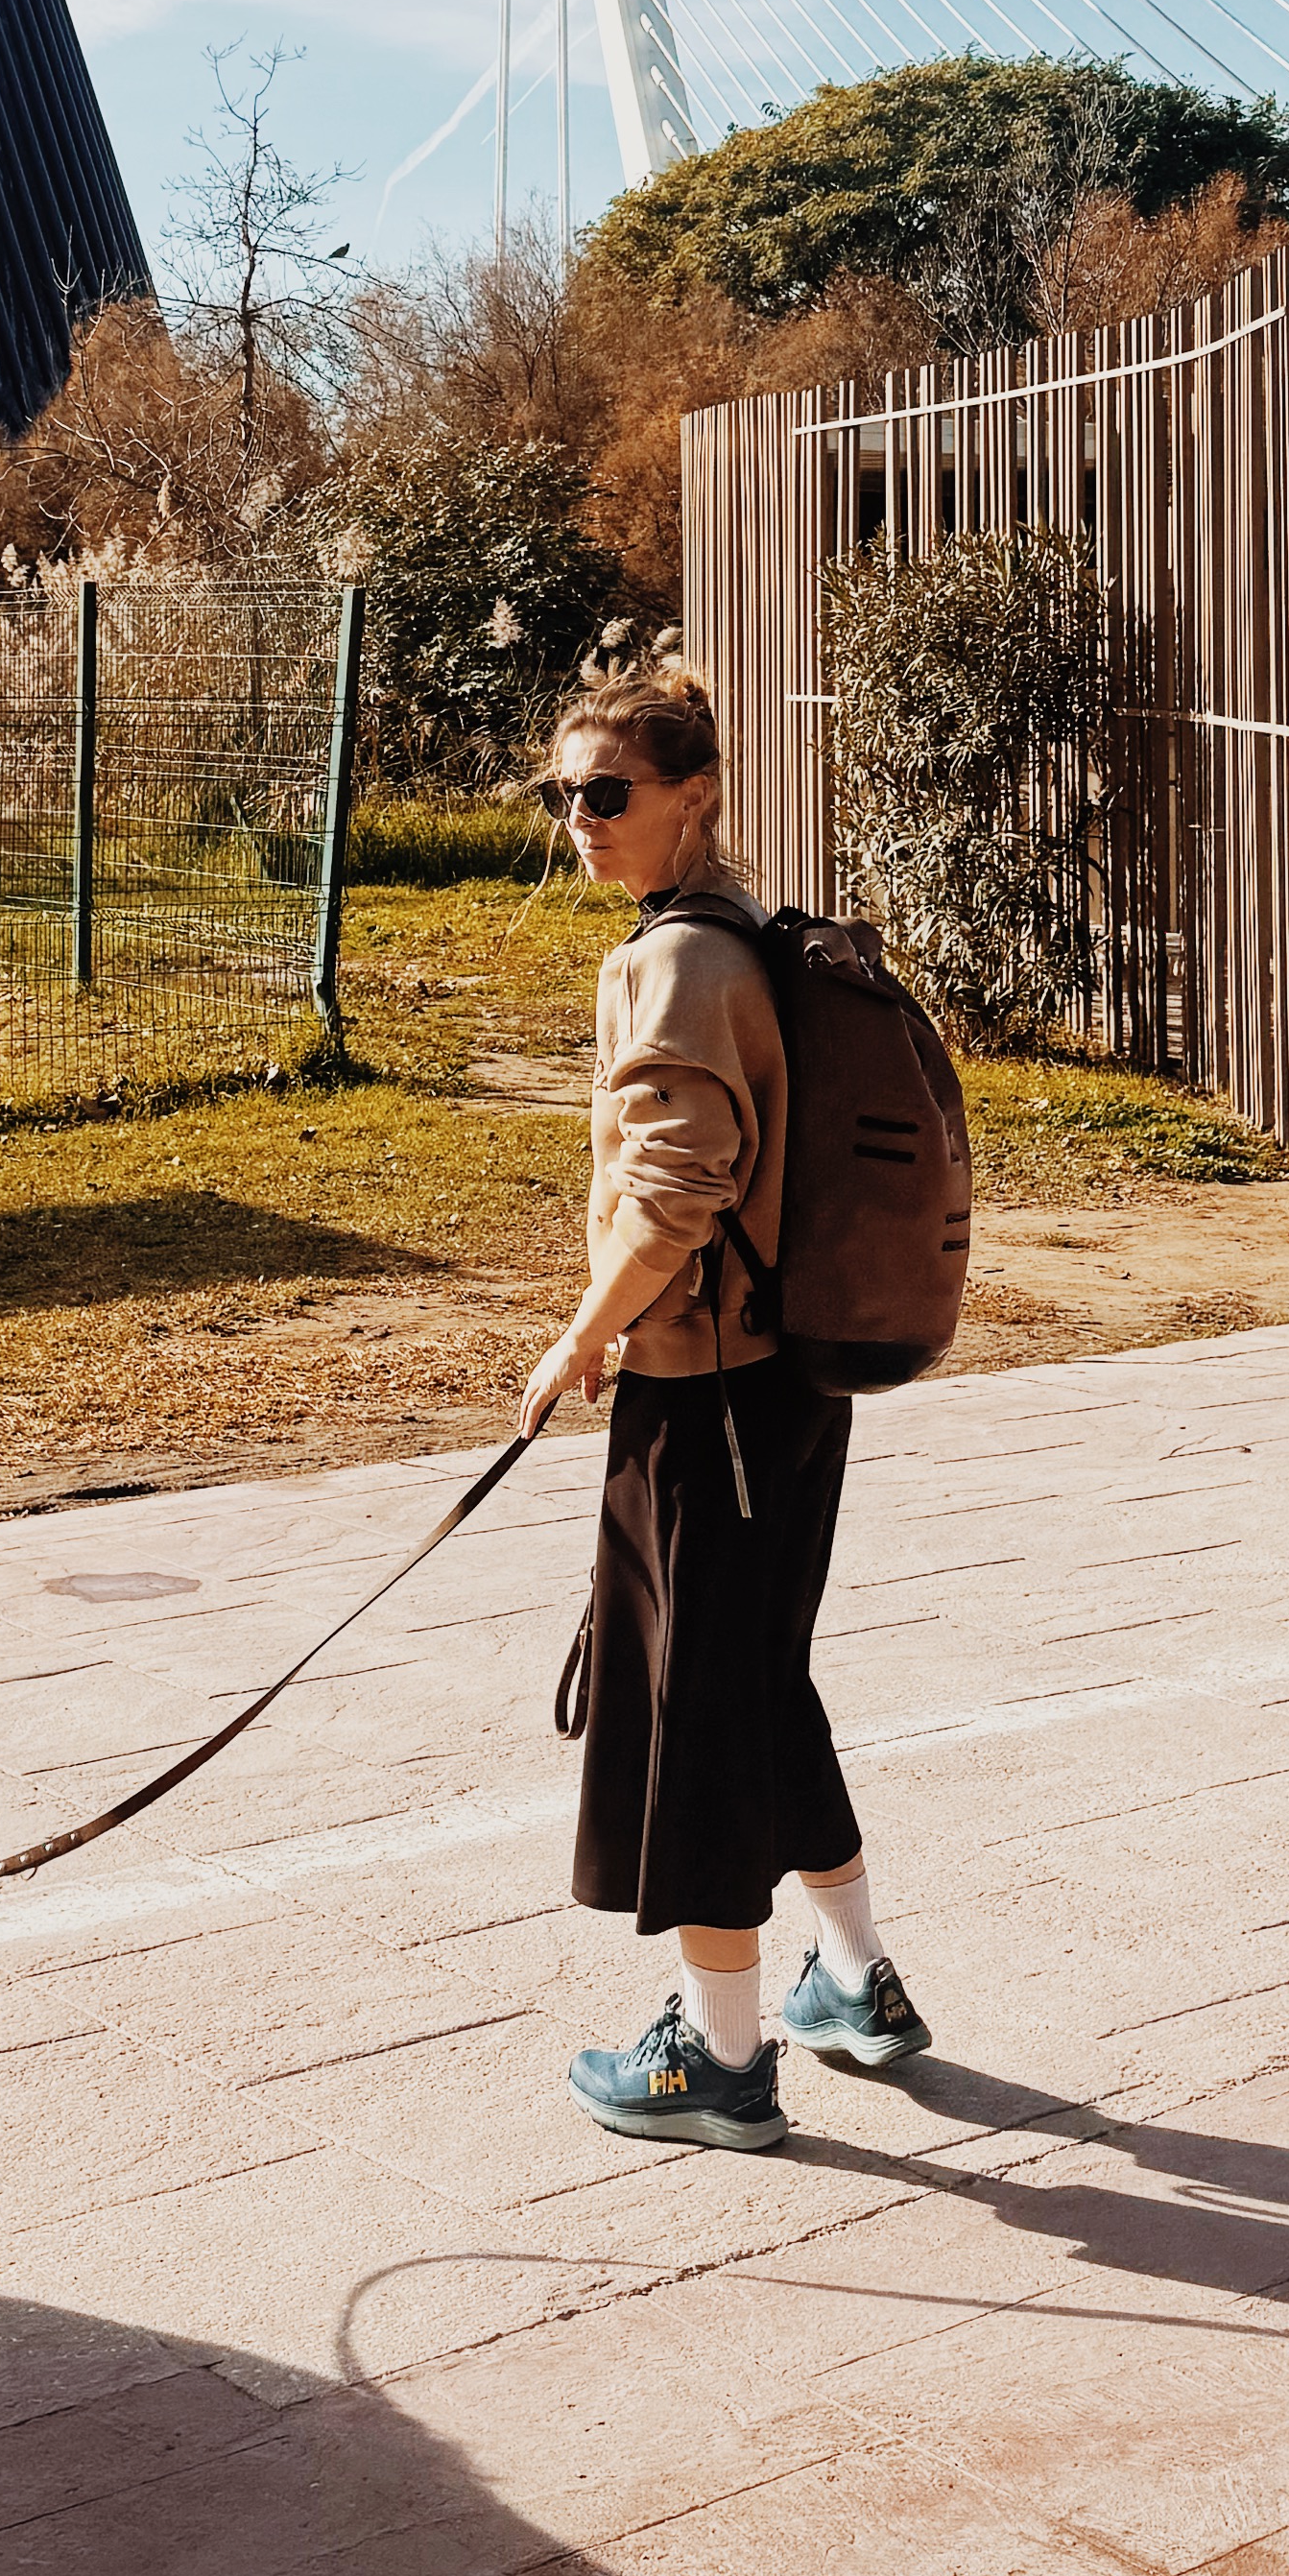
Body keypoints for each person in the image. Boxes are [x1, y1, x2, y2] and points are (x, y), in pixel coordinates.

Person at [517, 659, 929, 2142]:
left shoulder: (675, 964)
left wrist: (580, 1339)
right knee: (761, 1679)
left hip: (708, 1396)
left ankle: (722, 2053)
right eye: (561, 795)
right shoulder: (746, 934)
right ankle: (856, 1981)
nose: (581, 817)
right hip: (792, 1385)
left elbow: (673, 1189)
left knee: (693, 1710)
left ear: (694, 796)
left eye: (608, 793)